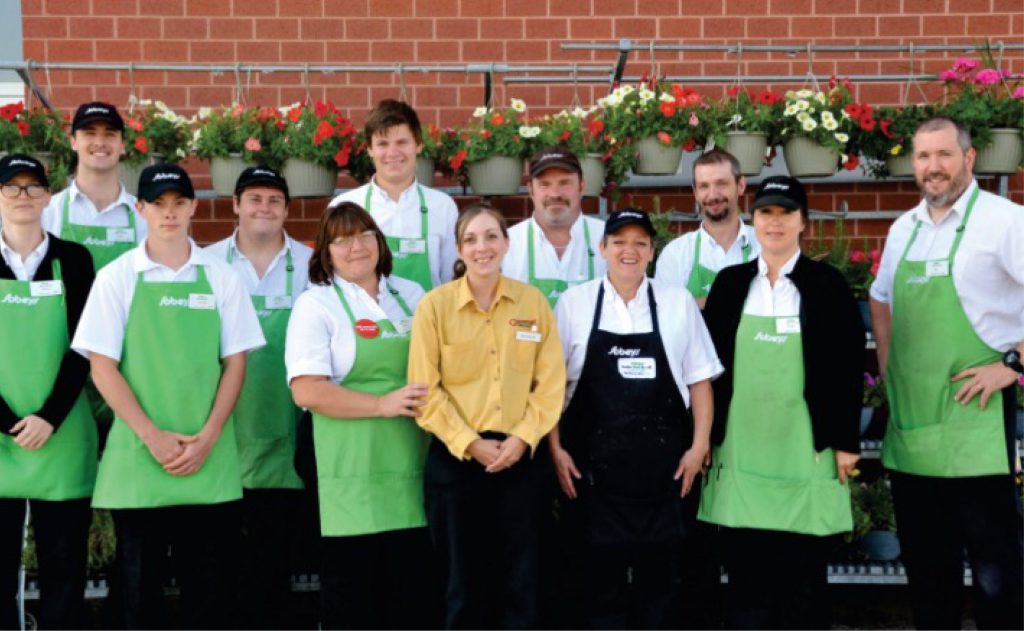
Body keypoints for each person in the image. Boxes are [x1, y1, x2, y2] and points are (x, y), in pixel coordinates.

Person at [71, 164, 265, 629]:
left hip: (208, 457)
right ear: (140, 209)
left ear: (194, 207)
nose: (170, 213)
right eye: (158, 204)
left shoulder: (221, 277)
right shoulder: (117, 277)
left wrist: (209, 436)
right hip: (139, 459)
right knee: (139, 592)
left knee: (209, 591)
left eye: (179, 202)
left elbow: (235, 363)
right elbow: (102, 366)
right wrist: (152, 436)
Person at [868, 117, 1024, 630]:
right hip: (913, 425)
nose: (932, 167)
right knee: (926, 571)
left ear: (969, 158)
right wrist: (891, 371)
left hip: (972, 423)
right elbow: (882, 297)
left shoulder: (1003, 221)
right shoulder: (903, 228)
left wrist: (1013, 365)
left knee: (995, 572)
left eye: (944, 155)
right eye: (922, 156)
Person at [699, 176, 864, 630]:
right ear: (753, 221)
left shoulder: (826, 285)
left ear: (803, 223)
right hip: (741, 446)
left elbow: (847, 367)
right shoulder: (731, 285)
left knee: (804, 575)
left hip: (805, 446)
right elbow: (708, 369)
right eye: (766, 212)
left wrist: (845, 442)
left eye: (786, 213)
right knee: (747, 576)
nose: (775, 222)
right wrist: (708, 437)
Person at [551, 208, 721, 629]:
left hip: (666, 477)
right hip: (591, 477)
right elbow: (550, 387)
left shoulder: (677, 302)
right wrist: (555, 449)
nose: (630, 250)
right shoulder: (574, 304)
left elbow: (701, 382)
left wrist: (699, 447)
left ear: (651, 251)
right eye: (620, 242)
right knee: (596, 590)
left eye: (640, 242)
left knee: (661, 590)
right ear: (603, 248)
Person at [408, 202, 566, 628]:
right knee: (462, 584)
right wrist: (470, 444)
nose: (483, 247)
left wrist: (522, 439)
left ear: (507, 243)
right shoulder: (434, 308)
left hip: (521, 460)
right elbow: (424, 391)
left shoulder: (532, 303)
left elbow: (550, 385)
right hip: (457, 463)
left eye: (491, 236)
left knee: (522, 582)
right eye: (471, 239)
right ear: (459, 249)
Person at [286, 201, 437, 629]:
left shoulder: (411, 296)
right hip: (347, 475)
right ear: (326, 252)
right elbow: (307, 389)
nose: (356, 247)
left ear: (379, 242)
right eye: (343, 240)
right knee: (353, 602)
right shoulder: (316, 306)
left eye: (364, 235)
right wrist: (381, 405)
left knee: (412, 598)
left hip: (411, 466)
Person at [204, 165, 312, 629]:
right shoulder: (204, 263)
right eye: (254, 198)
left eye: (273, 200)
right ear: (235, 205)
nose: (263, 208)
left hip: (290, 431)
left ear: (287, 209)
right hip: (222, 432)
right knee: (222, 565)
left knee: (278, 563)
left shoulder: (314, 264)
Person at [0, 155, 96, 630]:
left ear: (47, 196)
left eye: (33, 187)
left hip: (61, 434)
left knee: (65, 571)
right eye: (12, 187)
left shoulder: (74, 261)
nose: (23, 196)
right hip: (0, 437)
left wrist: (48, 417)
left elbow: (85, 345)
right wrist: (10, 422)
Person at [328, 99, 458, 293]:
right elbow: (331, 278)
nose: (392, 153)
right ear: (370, 150)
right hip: (364, 322)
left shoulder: (442, 206)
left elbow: (453, 280)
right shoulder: (345, 205)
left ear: (418, 145)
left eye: (402, 142)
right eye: (382, 143)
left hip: (427, 320)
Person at [42, 102, 146, 272]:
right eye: (90, 133)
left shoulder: (144, 217)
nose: (99, 142)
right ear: (73, 142)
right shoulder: (49, 212)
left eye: (110, 134)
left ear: (122, 145)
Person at [655, 149, 760, 309]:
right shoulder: (676, 254)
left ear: (740, 185)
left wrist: (698, 303)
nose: (713, 195)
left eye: (721, 184)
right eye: (704, 186)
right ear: (695, 192)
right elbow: (669, 314)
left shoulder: (764, 246)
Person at [503, 147, 606, 308]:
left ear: (582, 186)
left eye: (565, 183)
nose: (555, 193)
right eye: (544, 185)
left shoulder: (608, 238)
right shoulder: (506, 245)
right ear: (531, 190)